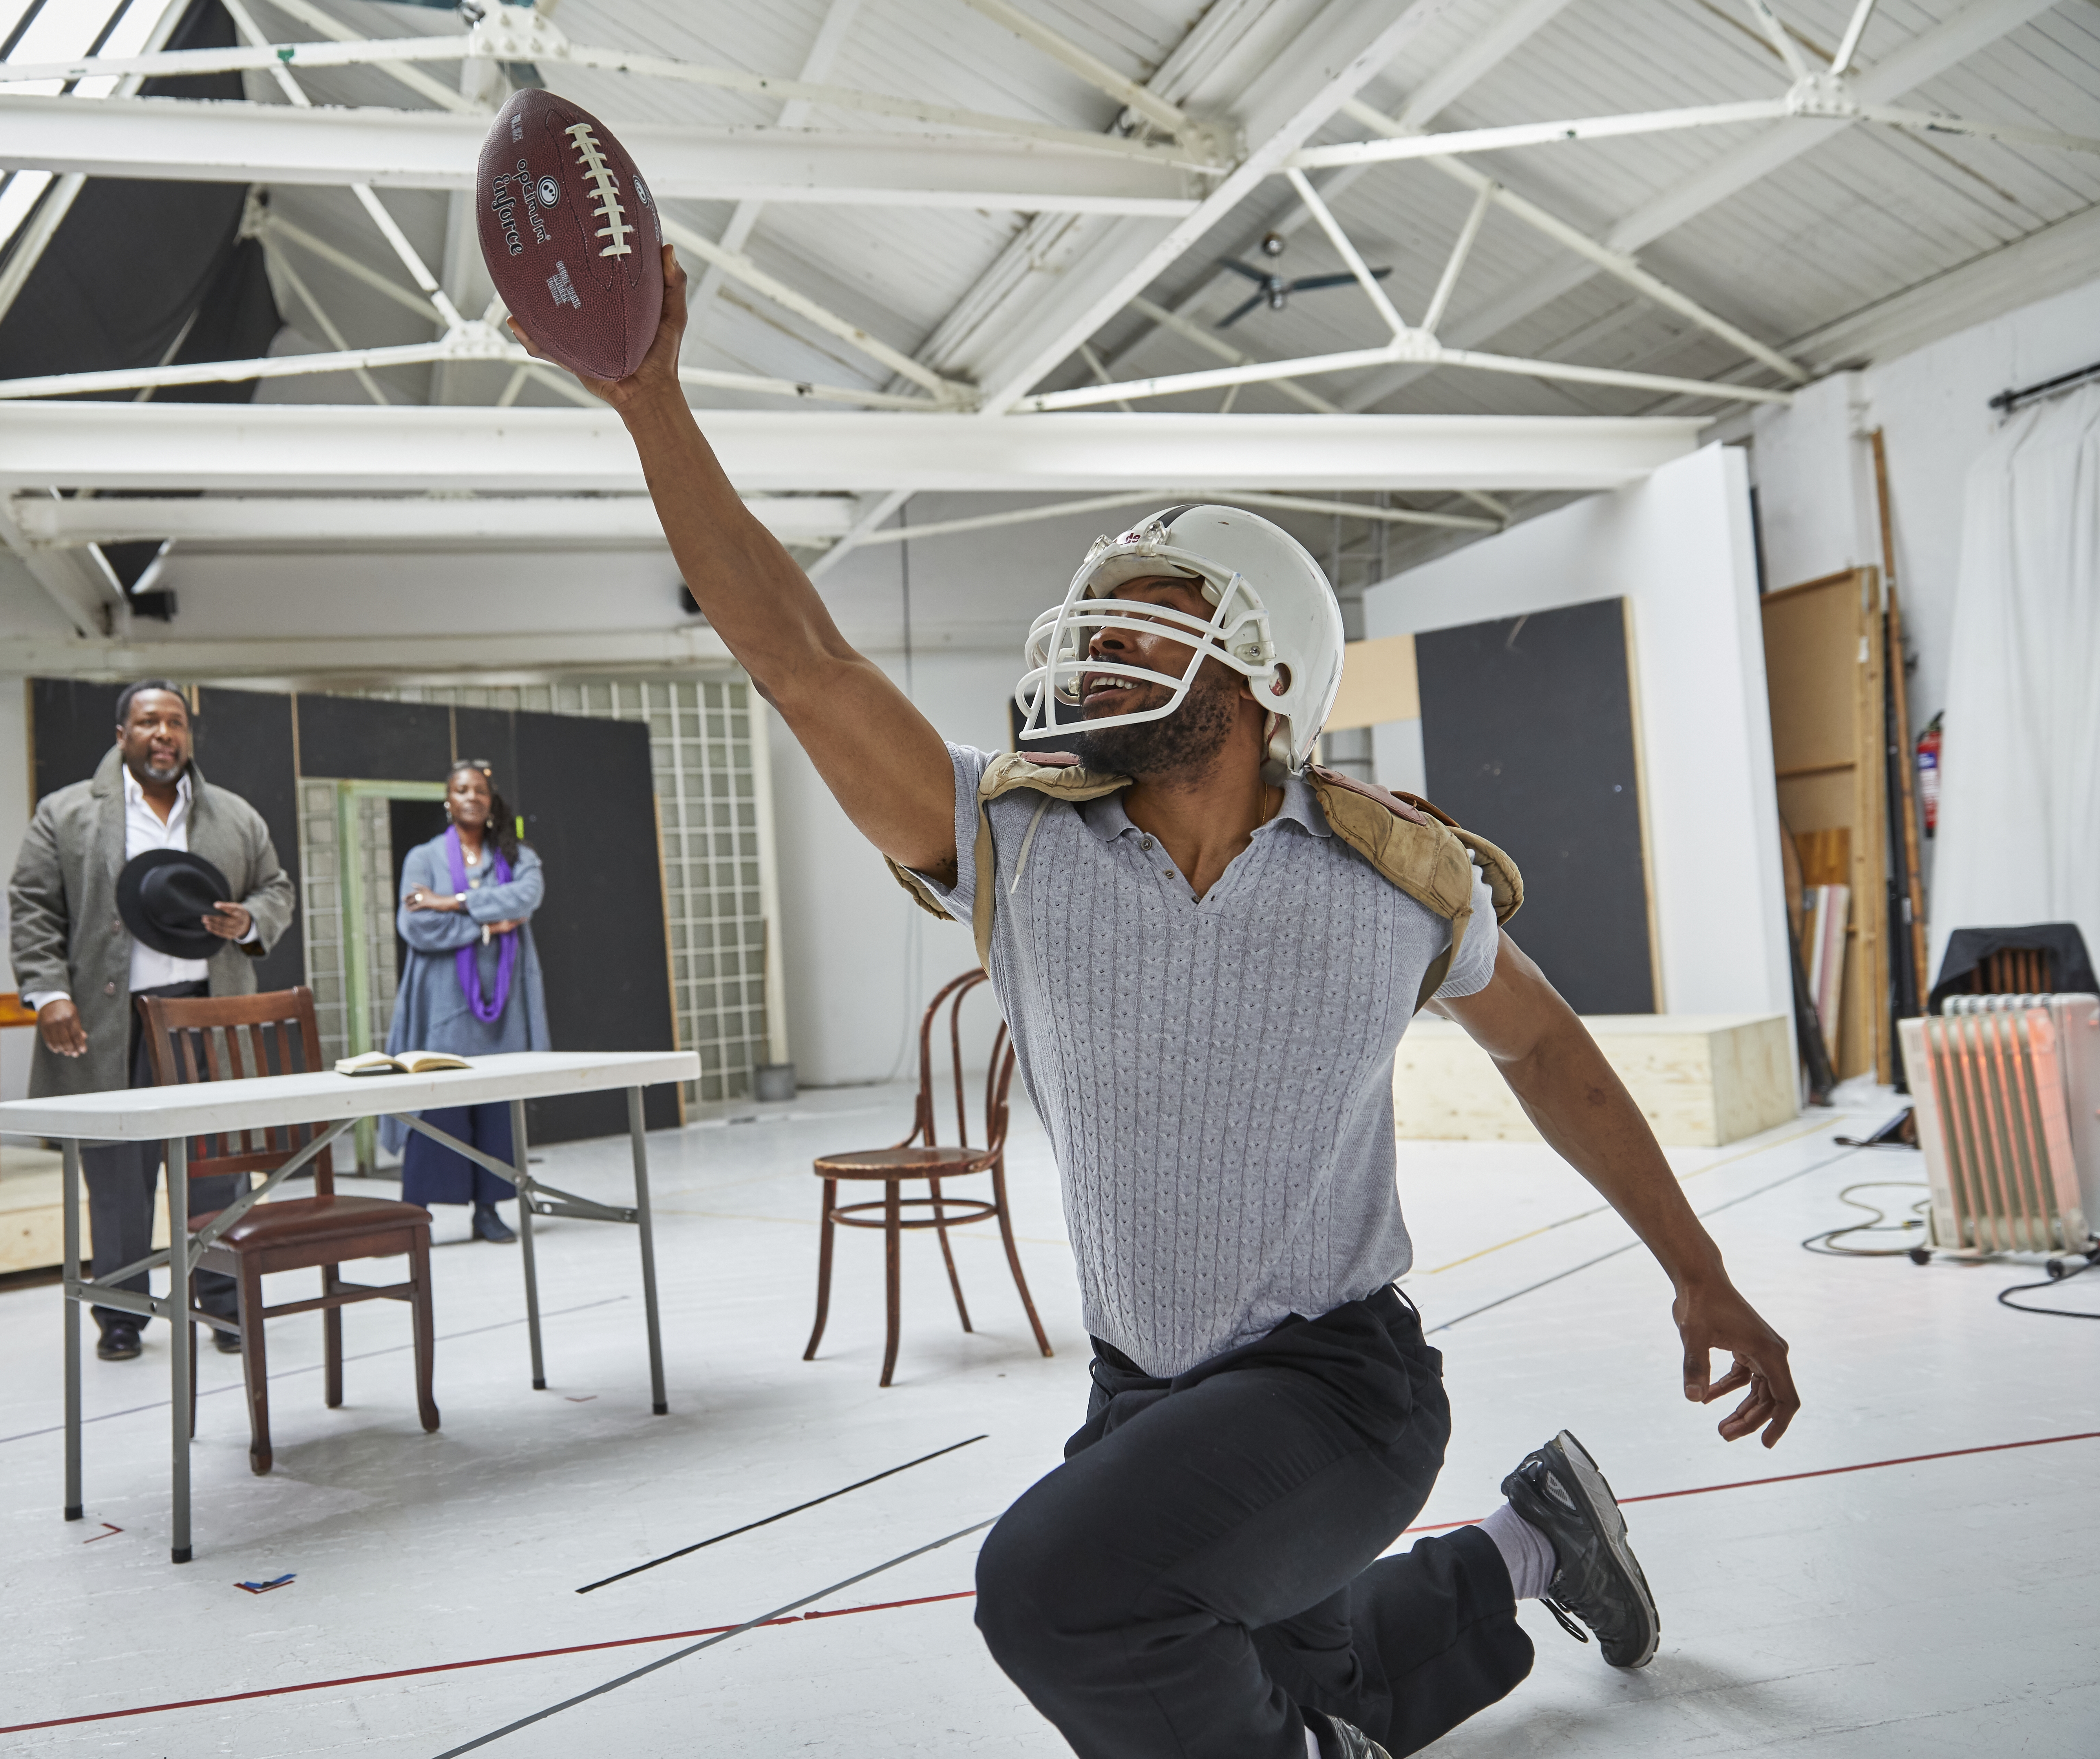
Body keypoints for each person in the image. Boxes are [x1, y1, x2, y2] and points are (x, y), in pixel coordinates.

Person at [516, 251, 1800, 1759]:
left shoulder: (1392, 878)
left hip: (1336, 1392)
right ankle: (1530, 1543)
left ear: (1260, 672)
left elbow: (1545, 1054)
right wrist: (649, 400)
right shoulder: (1014, 849)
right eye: (1097, 618)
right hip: (1146, 1392)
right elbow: (797, 663)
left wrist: (1697, 1270)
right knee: (1283, 1680)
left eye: (1146, 616)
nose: (1098, 640)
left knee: (1061, 1595)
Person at [8, 681, 296, 1363]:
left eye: (175, 722)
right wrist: (48, 995)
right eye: (147, 722)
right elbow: (32, 907)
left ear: (188, 735)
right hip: (112, 1022)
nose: (163, 733)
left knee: (218, 1174)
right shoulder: (68, 812)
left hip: (206, 1018)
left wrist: (251, 919)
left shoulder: (234, 815)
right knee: (115, 1180)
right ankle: (121, 1315)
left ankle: (224, 1305)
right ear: (121, 734)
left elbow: (275, 886)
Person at [382, 760, 550, 1243]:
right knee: (438, 1102)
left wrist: (451, 901)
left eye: (480, 789)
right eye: (461, 789)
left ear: (491, 799)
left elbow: (528, 895)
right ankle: (416, 1213)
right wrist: (485, 924)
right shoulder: (423, 856)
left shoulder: (515, 856)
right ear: (448, 800)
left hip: (504, 1004)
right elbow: (416, 923)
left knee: (497, 1105)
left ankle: (489, 1210)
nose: (471, 796)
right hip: (443, 1003)